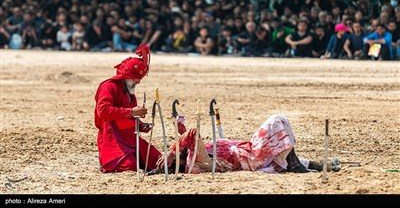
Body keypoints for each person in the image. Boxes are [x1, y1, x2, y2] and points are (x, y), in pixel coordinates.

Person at [151, 114, 340, 175]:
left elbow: (188, 138)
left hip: (249, 151)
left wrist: (178, 127)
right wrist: (171, 150)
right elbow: (193, 133)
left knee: (296, 159)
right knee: (276, 120)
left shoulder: (192, 153)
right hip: (251, 157)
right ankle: (295, 163)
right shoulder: (194, 162)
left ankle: (328, 166)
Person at [94, 44, 161, 173]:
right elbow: (103, 111)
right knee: (129, 166)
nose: (139, 82)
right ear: (128, 76)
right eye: (137, 78)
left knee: (158, 160)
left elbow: (129, 118)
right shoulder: (109, 87)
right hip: (112, 137)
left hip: (130, 136)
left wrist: (141, 125)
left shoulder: (130, 92)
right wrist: (132, 111)